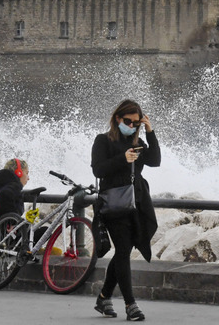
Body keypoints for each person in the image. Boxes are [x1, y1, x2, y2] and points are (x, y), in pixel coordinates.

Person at [91, 99, 161, 321]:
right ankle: (131, 304)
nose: (132, 126)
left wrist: (150, 132)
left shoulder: (138, 141)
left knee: (124, 251)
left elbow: (155, 161)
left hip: (137, 202)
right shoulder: (103, 140)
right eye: (128, 121)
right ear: (117, 119)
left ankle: (103, 297)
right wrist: (123, 159)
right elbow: (98, 169)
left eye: (136, 123)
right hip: (114, 202)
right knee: (122, 249)